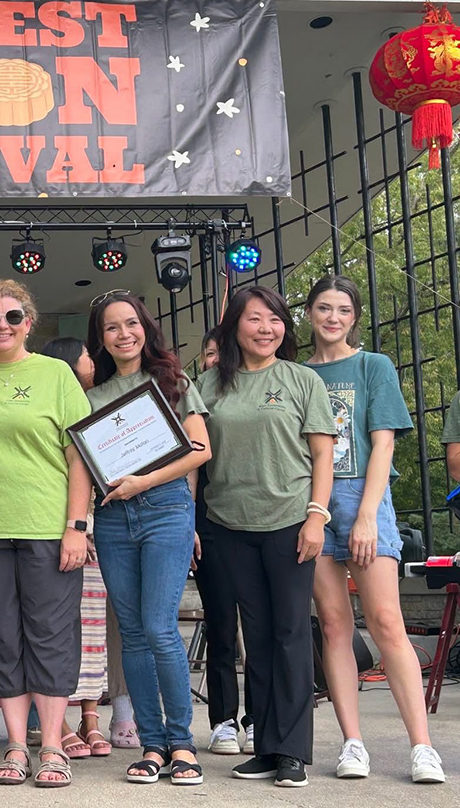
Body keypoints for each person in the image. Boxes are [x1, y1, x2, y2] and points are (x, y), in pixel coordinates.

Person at [0, 279, 93, 788]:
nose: (2, 325)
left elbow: (81, 456)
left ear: (29, 322)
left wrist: (77, 526)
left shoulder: (56, 375)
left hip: (48, 527)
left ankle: (51, 745)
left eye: (13, 316)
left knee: (50, 636)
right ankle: (14, 743)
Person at [303, 275, 445, 784]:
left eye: (343, 309)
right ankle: (352, 742)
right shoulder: (298, 374)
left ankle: (423, 747)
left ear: (355, 316)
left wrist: (366, 513)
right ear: (310, 314)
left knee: (386, 622)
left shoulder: (372, 366)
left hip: (365, 495)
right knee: (335, 625)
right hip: (313, 503)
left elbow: (383, 444)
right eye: (323, 308)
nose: (333, 318)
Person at [199, 285, 335, 788]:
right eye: (255, 319)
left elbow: (323, 455)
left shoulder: (301, 380)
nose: (266, 329)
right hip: (229, 526)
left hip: (290, 522)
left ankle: (293, 751)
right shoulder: (210, 384)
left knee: (291, 634)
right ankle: (267, 746)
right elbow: (193, 454)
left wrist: (316, 517)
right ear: (235, 325)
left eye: (274, 319)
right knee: (255, 638)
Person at [83, 295, 211, 785]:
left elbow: (201, 450)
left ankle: (182, 744)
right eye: (112, 328)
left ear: (145, 328)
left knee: (159, 628)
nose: (123, 334)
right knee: (133, 633)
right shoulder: (90, 397)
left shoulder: (174, 383)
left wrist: (144, 483)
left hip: (164, 511)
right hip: (114, 519)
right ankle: (152, 745)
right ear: (102, 338)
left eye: (131, 323)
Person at [38, 337, 111, 760]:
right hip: (57, 527)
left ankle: (91, 718)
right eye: (85, 355)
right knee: (58, 630)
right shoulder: (50, 402)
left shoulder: (99, 404)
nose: (92, 361)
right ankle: (58, 722)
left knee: (93, 628)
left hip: (94, 528)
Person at [191, 327, 254, 756]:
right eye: (208, 353)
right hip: (209, 521)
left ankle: (258, 717)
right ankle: (223, 720)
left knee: (258, 627)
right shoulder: (196, 395)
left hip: (256, 518)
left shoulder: (254, 395)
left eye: (221, 352)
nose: (215, 360)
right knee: (220, 625)